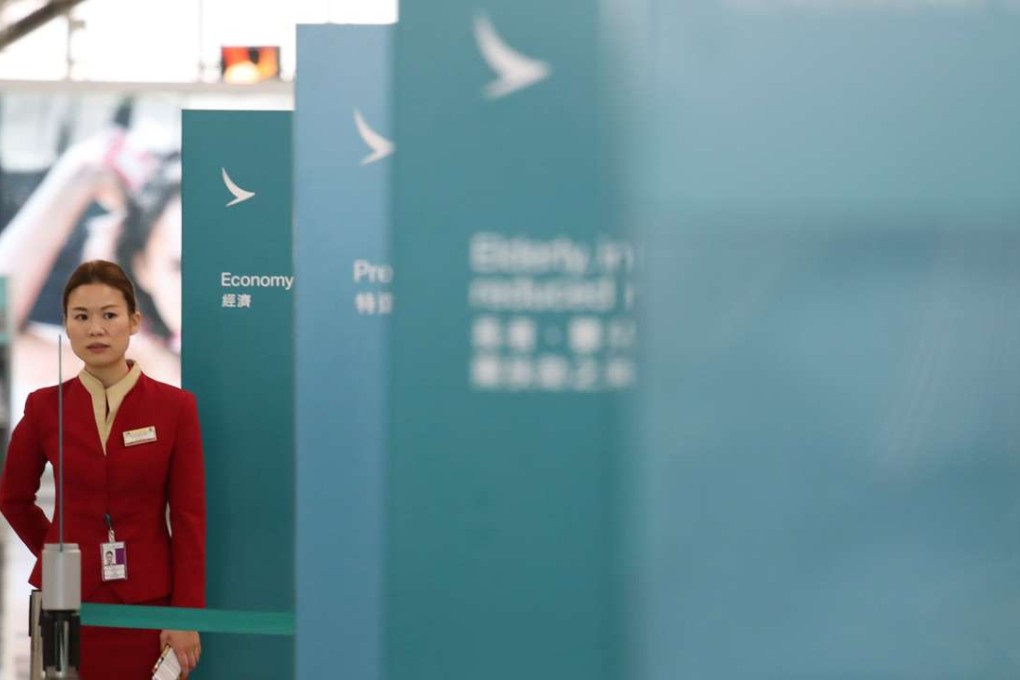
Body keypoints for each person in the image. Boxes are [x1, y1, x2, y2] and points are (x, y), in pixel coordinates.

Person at [0, 260, 205, 678]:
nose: (96, 328)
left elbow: (189, 519)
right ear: (67, 325)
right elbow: (13, 497)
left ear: (133, 321)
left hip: (150, 601)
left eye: (109, 315)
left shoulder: (175, 408)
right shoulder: (44, 407)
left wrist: (185, 615)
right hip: (64, 598)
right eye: (82, 316)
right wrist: (60, 553)